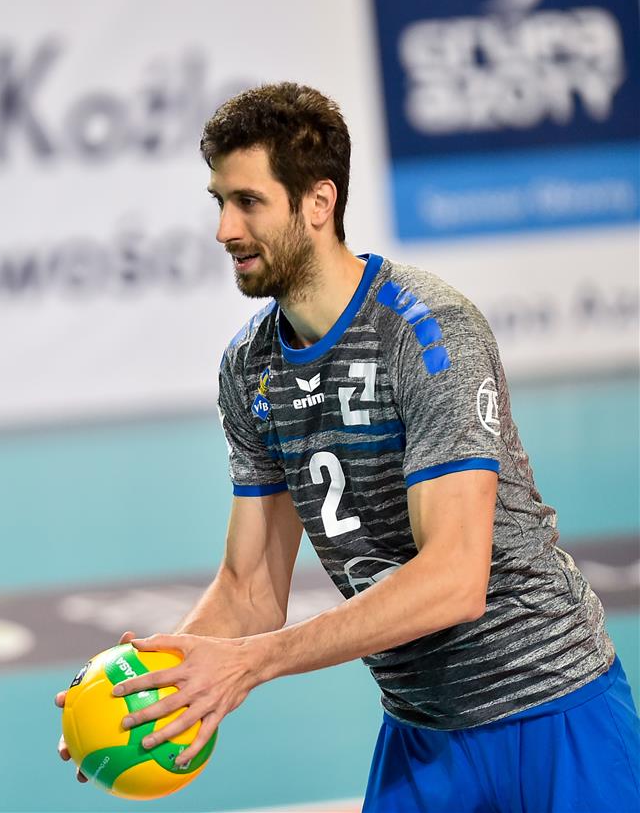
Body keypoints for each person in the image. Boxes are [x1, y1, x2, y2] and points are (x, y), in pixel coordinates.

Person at [54, 82, 640, 812]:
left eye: (248, 202)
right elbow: (249, 588)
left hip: (552, 712)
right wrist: (152, 687)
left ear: (318, 202)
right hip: (422, 733)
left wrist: (250, 664)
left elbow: (454, 578)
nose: (225, 229)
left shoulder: (427, 332)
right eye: (219, 202)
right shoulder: (250, 368)